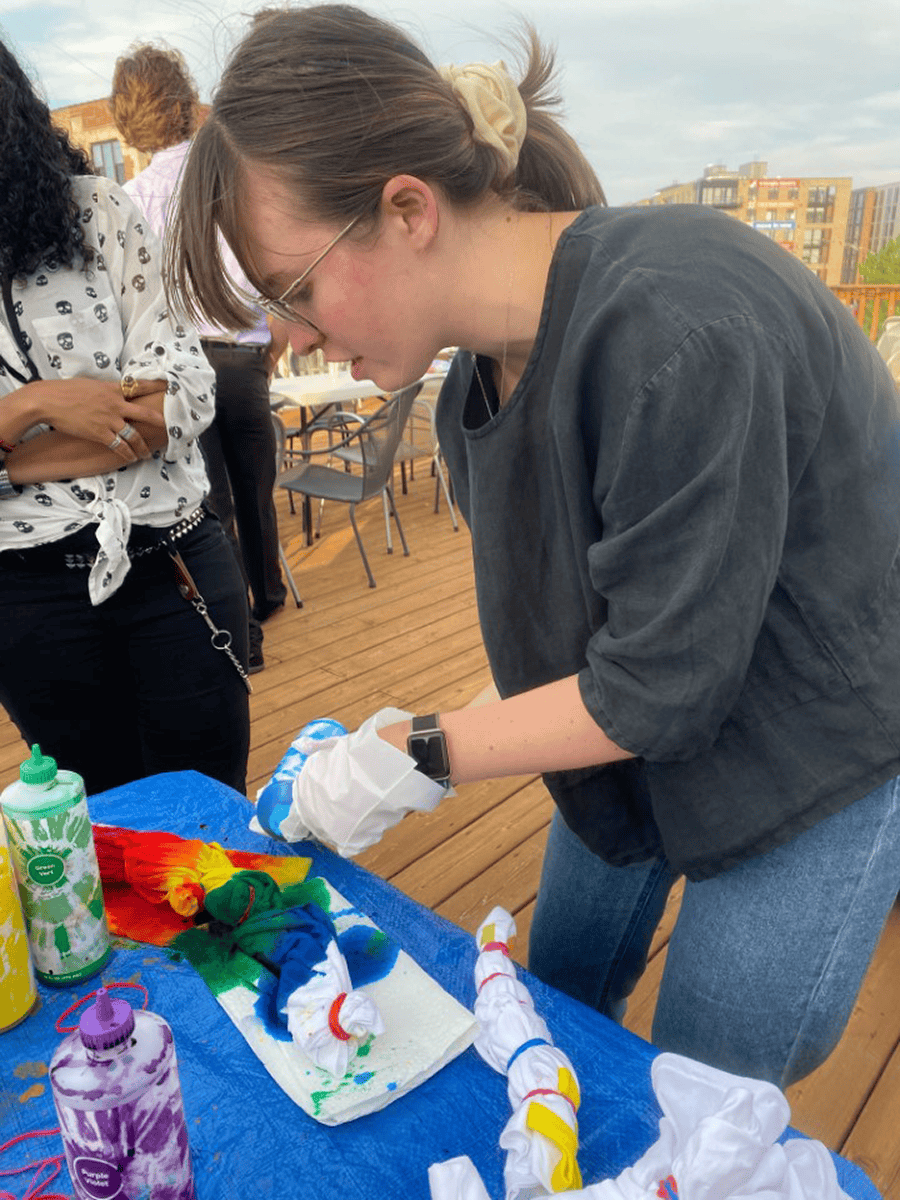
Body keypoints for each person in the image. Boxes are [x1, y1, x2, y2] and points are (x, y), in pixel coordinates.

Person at [168, 4, 900, 1089]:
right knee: (550, 995)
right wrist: (408, 741)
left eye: (293, 291)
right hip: (638, 719)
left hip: (814, 737)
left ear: (407, 209)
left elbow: (657, 689)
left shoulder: (678, 324)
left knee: (705, 1082)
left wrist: (419, 749)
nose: (293, 343)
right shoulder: (475, 383)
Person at [0, 37, 250, 795]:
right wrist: (41, 404)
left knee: (215, 835)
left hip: (170, 572)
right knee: (101, 844)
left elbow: (184, 392)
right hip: (29, 602)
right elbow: (128, 422)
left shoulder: (98, 212)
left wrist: (12, 453)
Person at [109, 42, 289, 674]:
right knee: (256, 486)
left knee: (215, 504)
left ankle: (248, 637)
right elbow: (253, 268)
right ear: (186, 100)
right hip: (243, 353)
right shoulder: (227, 173)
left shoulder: (127, 200)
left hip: (184, 366)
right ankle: (268, 598)